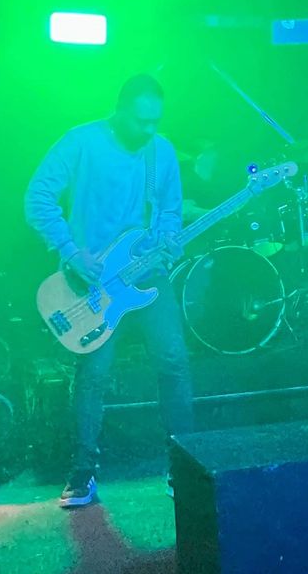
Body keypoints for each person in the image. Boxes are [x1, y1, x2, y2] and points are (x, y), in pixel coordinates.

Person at [24, 74, 194, 507]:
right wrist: (69, 251)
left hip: (146, 273)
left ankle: (185, 467)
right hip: (92, 278)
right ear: (119, 111)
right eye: (141, 121)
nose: (149, 129)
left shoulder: (161, 151)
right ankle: (82, 471)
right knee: (93, 374)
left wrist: (168, 240)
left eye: (155, 121)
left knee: (173, 361)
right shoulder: (81, 141)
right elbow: (38, 197)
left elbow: (170, 211)